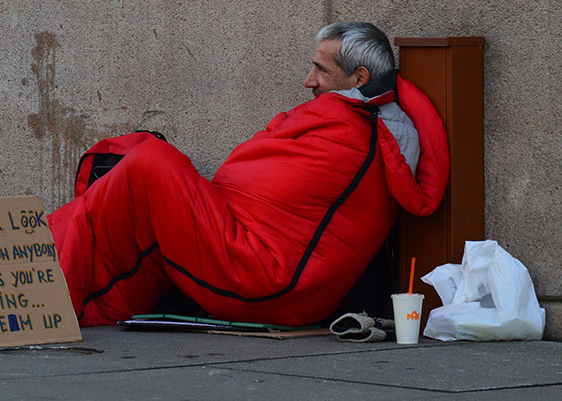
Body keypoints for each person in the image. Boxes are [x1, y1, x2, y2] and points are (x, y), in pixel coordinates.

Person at [48, 22, 449, 327]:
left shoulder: (356, 134)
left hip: (266, 279)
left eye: (320, 70)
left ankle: (49, 289)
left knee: (150, 162)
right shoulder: (353, 124)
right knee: (136, 164)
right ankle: (38, 252)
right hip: (254, 258)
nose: (308, 81)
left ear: (359, 79)